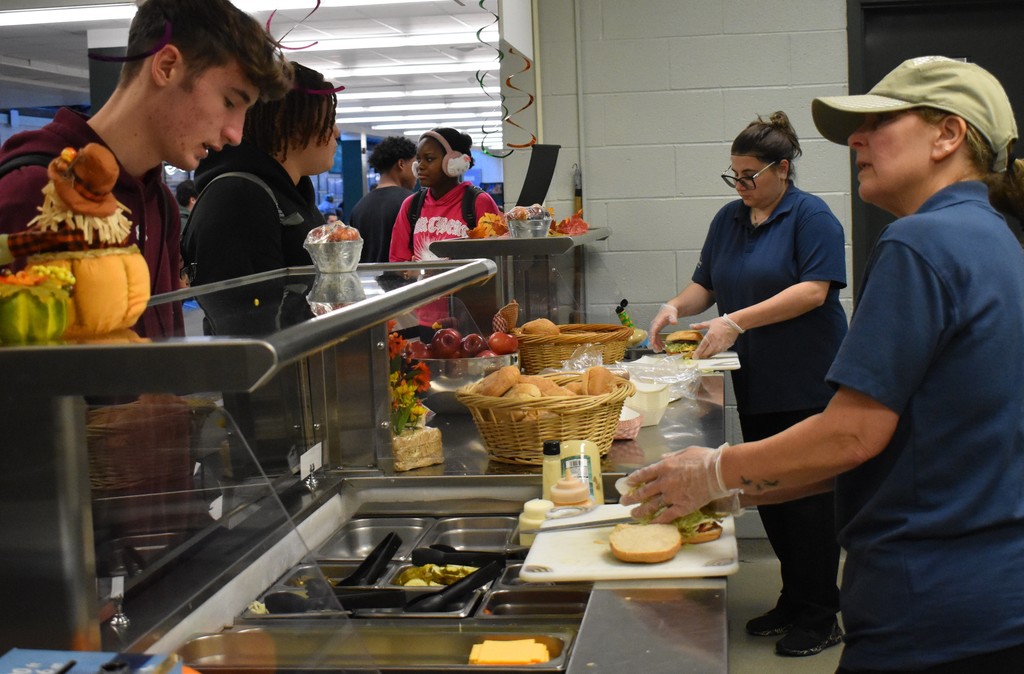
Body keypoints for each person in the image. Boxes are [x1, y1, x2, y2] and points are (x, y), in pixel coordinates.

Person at [624, 56, 1024, 673]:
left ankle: (814, 611)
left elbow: (854, 435)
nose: (855, 141)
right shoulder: (995, 238)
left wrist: (717, 468)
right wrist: (739, 488)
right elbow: (920, 447)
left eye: (881, 123)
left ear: (949, 136)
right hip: (992, 600)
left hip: (927, 607)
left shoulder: (921, 242)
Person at [647, 110, 848, 657]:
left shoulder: (812, 217)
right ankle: (793, 597)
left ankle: (821, 612)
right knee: (769, 493)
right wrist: (673, 307)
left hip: (808, 378)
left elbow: (814, 291)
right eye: (733, 175)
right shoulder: (730, 219)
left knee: (808, 503)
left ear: (783, 169)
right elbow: (705, 285)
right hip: (757, 379)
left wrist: (738, 321)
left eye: (749, 176)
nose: (740, 186)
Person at [0, 0, 292, 335]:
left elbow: (163, 353)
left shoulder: (160, 204)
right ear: (166, 66)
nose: (236, 134)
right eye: (229, 102)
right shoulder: (38, 188)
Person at [181, 62, 338, 285]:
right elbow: (244, 311)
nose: (336, 132)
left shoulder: (292, 194)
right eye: (329, 120)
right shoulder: (239, 199)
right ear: (288, 123)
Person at [389, 127, 501, 337]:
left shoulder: (478, 202)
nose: (420, 167)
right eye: (418, 160)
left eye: (429, 159)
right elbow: (398, 263)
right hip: (422, 319)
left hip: (469, 317)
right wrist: (415, 273)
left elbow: (496, 265)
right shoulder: (411, 206)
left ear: (454, 163)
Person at [349, 135, 417, 262]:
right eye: (414, 165)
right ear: (401, 164)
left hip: (367, 279)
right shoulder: (411, 203)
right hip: (404, 280)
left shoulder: (359, 207)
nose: (417, 173)